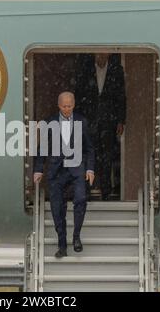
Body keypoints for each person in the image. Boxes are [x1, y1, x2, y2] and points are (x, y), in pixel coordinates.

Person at [33, 92, 95, 258]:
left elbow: (89, 148)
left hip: (77, 168)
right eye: (64, 106)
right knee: (56, 208)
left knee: (81, 199)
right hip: (56, 170)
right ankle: (62, 245)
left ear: (74, 105)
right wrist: (38, 169)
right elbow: (42, 149)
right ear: (59, 105)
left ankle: (76, 237)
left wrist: (90, 169)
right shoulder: (49, 122)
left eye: (70, 106)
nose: (67, 109)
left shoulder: (82, 121)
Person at [75, 53, 126, 200]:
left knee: (107, 156)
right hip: (89, 119)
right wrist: (78, 119)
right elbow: (79, 94)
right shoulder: (85, 67)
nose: (101, 57)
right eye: (98, 54)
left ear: (108, 54)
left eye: (104, 54)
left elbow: (121, 96)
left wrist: (121, 120)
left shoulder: (117, 69)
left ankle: (106, 192)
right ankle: (88, 191)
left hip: (109, 120)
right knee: (90, 154)